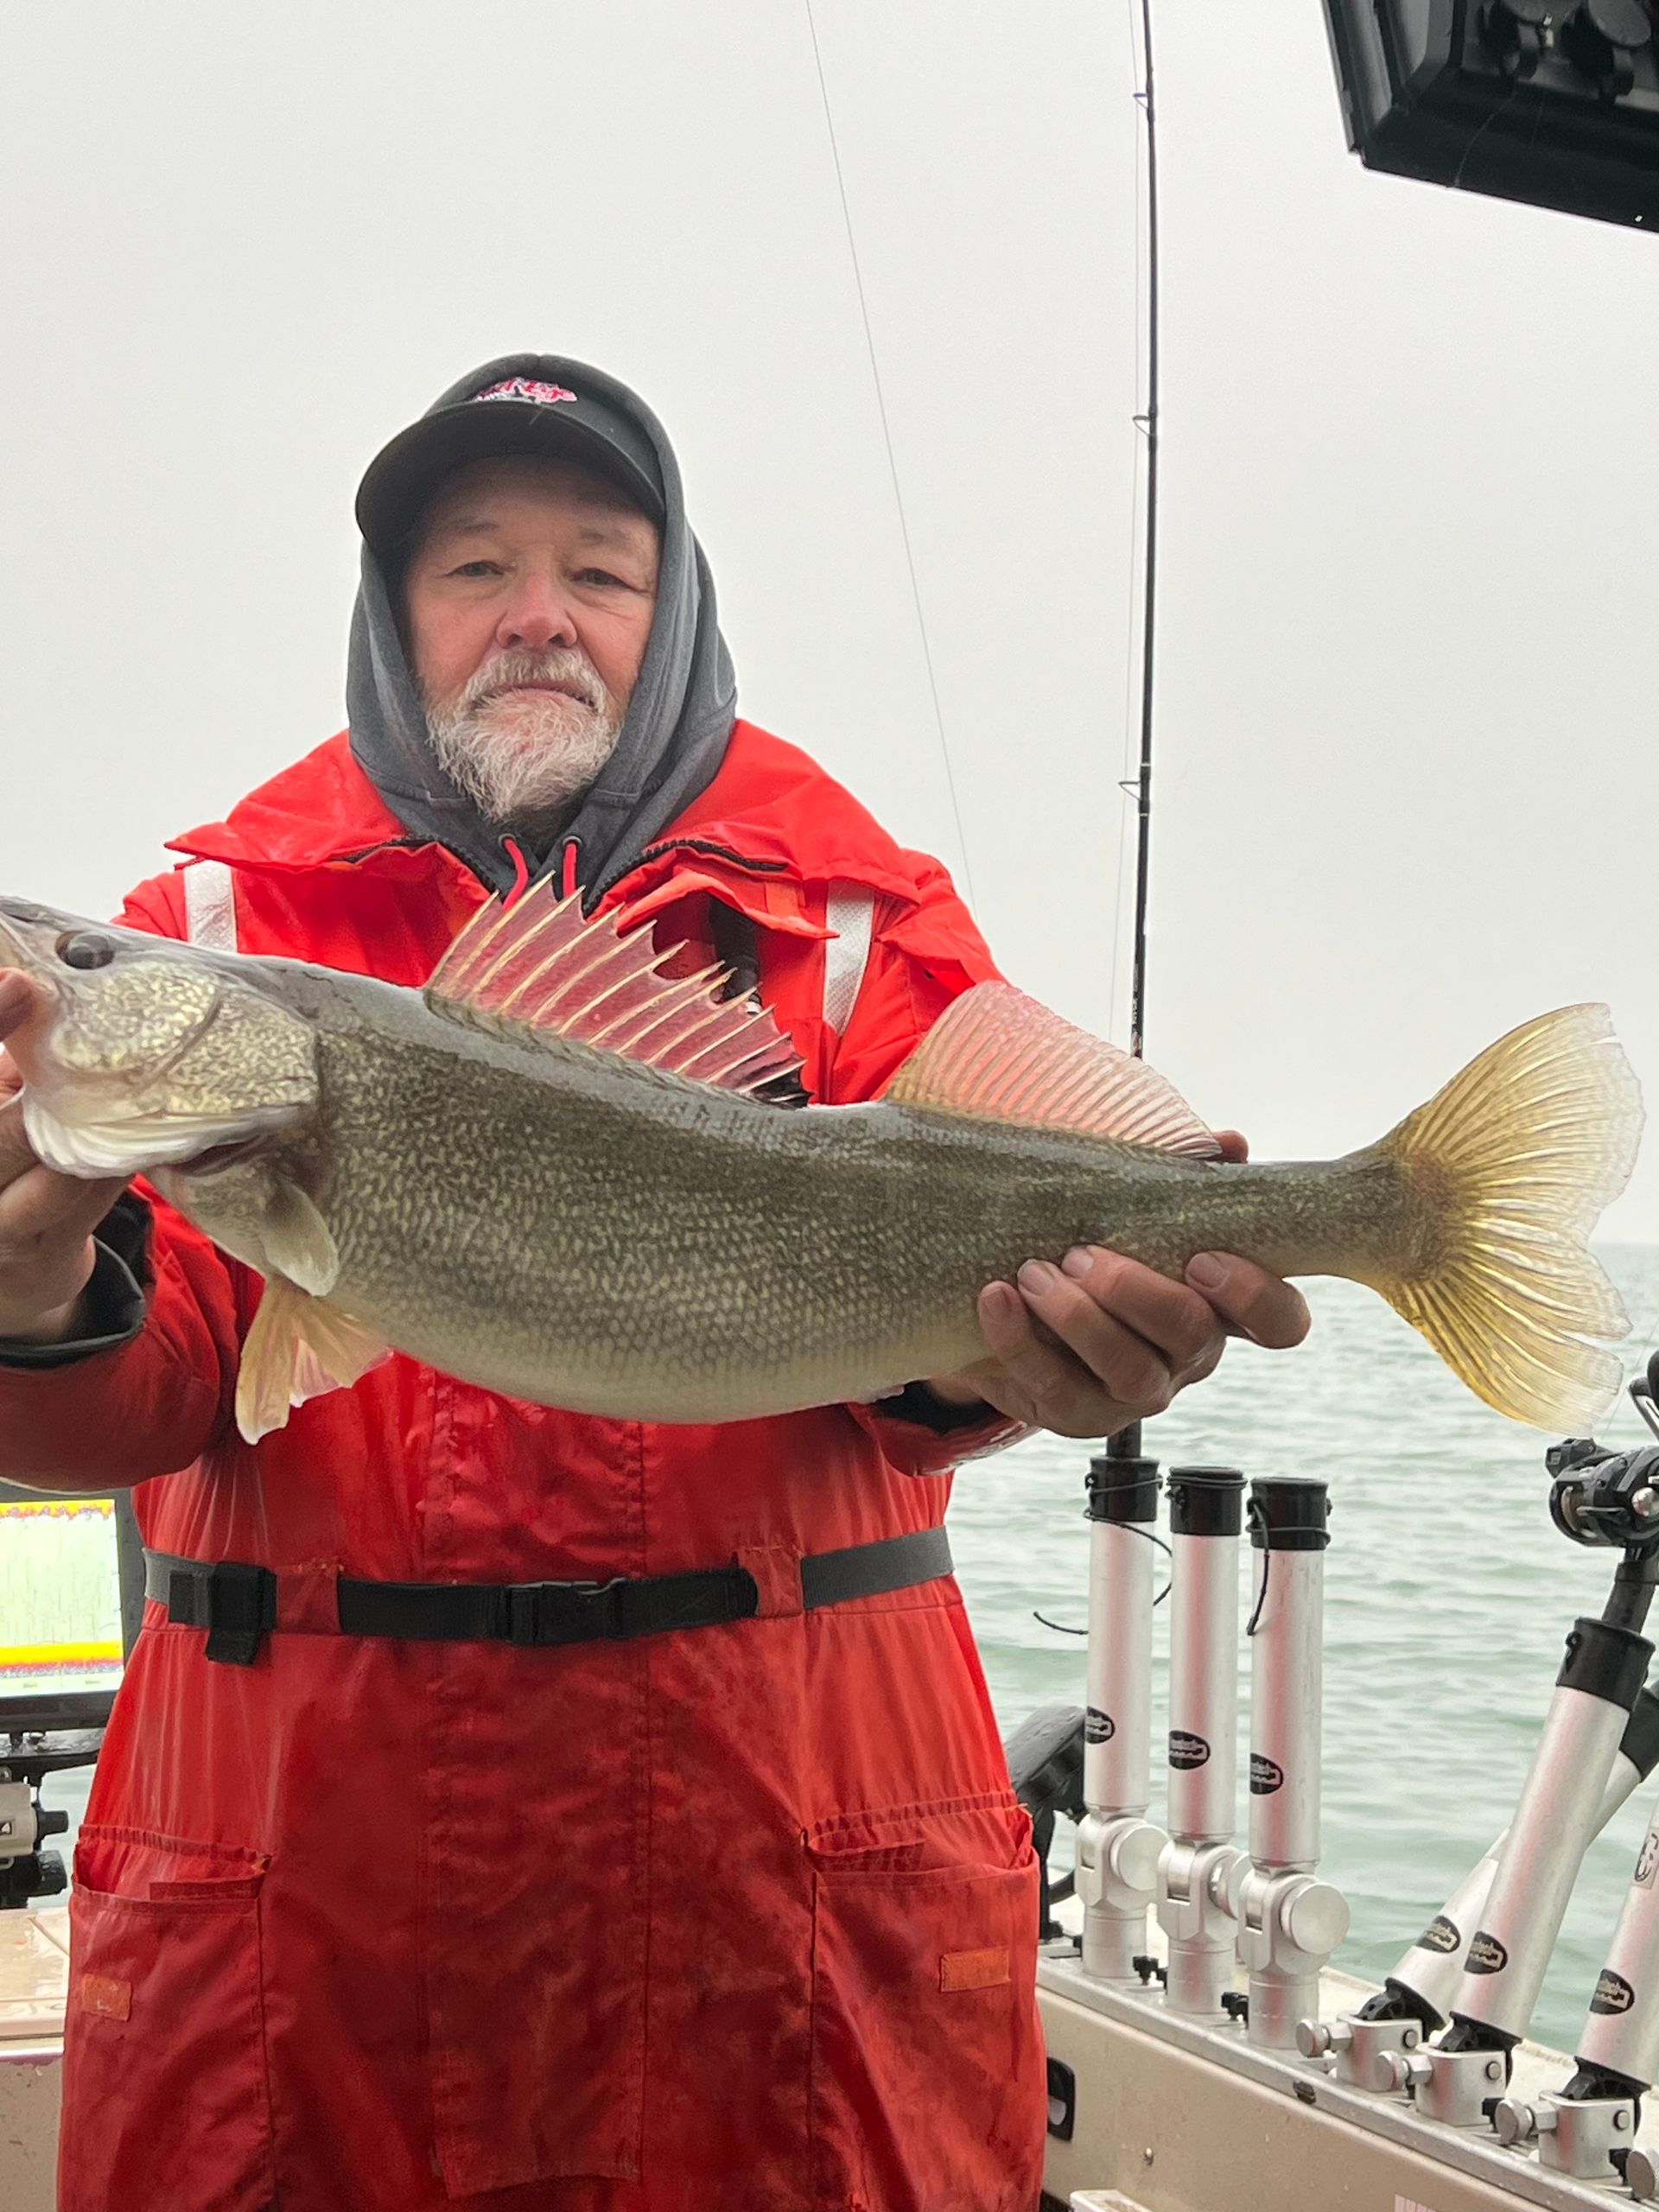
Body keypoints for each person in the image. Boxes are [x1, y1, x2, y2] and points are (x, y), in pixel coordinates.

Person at [0, 356, 1309, 2212]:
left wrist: (1025, 1366)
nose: (537, 614)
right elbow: (151, 1392)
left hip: (776, 1878)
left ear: (674, 607)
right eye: (475, 566)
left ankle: (1398, 1212)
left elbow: (940, 1338)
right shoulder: (210, 936)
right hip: (314, 1900)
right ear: (392, 615)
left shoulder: (858, 929)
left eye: (599, 571)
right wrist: (36, 1285)